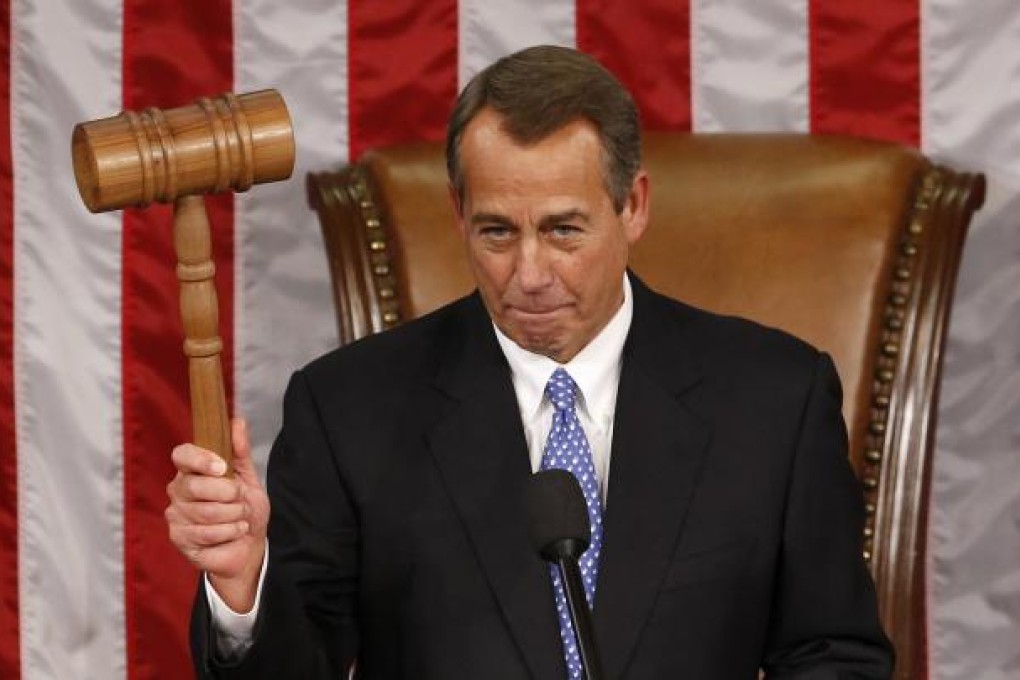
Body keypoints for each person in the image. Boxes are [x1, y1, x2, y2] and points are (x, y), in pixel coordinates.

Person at [165, 45, 894, 679]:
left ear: (633, 206)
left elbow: (834, 654)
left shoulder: (773, 398)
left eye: (563, 230)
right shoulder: (349, 408)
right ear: (458, 214)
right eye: (496, 231)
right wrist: (242, 586)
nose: (530, 273)